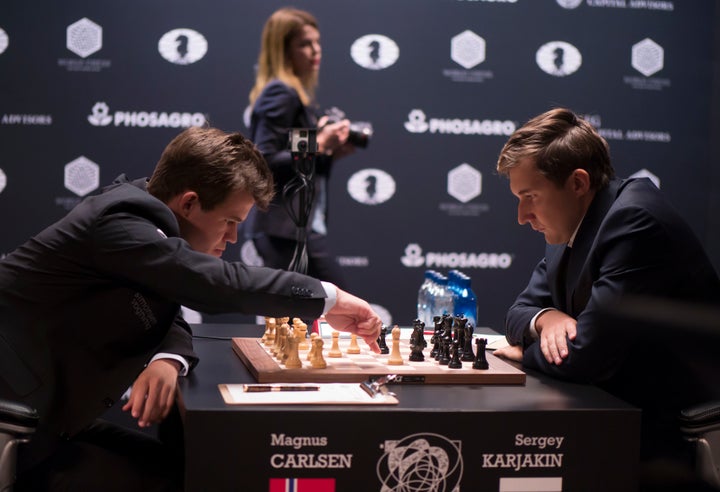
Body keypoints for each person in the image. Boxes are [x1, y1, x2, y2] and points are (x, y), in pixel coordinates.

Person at [0, 126, 382, 491]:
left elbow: (170, 306)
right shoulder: (121, 224)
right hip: (19, 428)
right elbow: (213, 284)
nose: (232, 238)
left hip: (50, 420)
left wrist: (167, 359)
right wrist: (326, 297)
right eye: (229, 221)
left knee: (191, 472)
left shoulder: (140, 223)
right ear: (189, 203)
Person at [492, 108, 720, 488]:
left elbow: (587, 358)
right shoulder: (575, 221)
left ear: (578, 182)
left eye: (530, 196)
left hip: (672, 434)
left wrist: (522, 353)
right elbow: (519, 311)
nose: (522, 215)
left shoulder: (633, 222)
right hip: (621, 413)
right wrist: (546, 318)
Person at [244, 7, 355, 286]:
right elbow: (263, 158)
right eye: (304, 44)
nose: (315, 51)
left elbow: (295, 159)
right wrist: (319, 143)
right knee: (332, 309)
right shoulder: (281, 92)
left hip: (295, 228)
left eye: (317, 42)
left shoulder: (296, 95)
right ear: (283, 50)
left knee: (312, 318)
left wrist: (330, 152)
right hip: (282, 229)